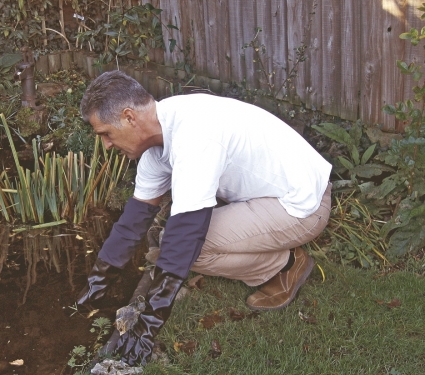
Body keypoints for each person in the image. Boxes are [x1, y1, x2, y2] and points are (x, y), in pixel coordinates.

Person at [77, 70, 332, 366]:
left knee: (189, 251)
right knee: (172, 248)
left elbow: (186, 234)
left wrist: (148, 326)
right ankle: (279, 256)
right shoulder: (160, 139)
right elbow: (134, 220)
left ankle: (286, 264)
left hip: (303, 205)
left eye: (106, 133)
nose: (107, 145)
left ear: (129, 117)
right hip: (268, 195)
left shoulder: (195, 133)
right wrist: (98, 279)